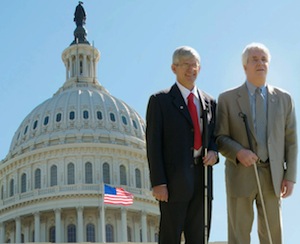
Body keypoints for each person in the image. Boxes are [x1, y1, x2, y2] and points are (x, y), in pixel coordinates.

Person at [215, 42, 297, 244]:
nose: (260, 63)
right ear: (245, 67)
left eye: (264, 59)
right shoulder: (227, 99)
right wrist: (238, 152)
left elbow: (291, 141)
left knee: (272, 236)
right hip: (240, 174)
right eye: (254, 59)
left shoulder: (284, 99)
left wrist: (290, 176)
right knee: (239, 236)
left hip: (273, 176)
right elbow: (219, 137)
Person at [146, 46, 218, 244]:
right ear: (173, 68)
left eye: (194, 65)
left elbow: (214, 135)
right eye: (185, 64)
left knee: (199, 238)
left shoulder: (209, 102)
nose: (191, 69)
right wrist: (158, 182)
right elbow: (153, 144)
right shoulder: (160, 101)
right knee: (171, 237)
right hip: (173, 182)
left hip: (202, 179)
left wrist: (214, 152)